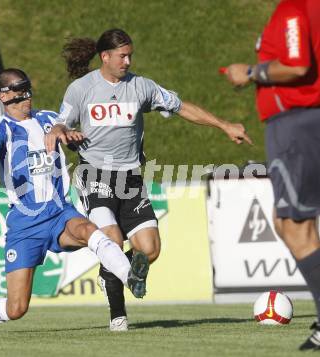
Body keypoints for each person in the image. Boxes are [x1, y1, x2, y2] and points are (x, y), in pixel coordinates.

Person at [45, 29, 252, 331]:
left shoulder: (142, 87)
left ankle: (108, 274)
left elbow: (181, 107)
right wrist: (59, 132)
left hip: (130, 178)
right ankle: (118, 317)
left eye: (130, 55)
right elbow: (61, 121)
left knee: (150, 249)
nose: (127, 61)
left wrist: (224, 125)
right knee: (113, 240)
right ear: (105, 57)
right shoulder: (81, 88)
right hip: (94, 175)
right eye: (121, 56)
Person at [0, 68, 149, 334]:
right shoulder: (1, 128)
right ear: (4, 95)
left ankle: (129, 278)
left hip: (59, 213)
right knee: (16, 308)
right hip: (25, 224)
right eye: (19, 92)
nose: (26, 96)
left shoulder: (49, 119)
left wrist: (75, 138)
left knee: (88, 230)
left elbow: (70, 134)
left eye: (28, 89)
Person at [224, 0, 320, 350]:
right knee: (288, 223)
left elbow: (296, 65)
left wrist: (250, 73)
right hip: (299, 124)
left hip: (295, 124)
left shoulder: (295, 9)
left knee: (295, 225)